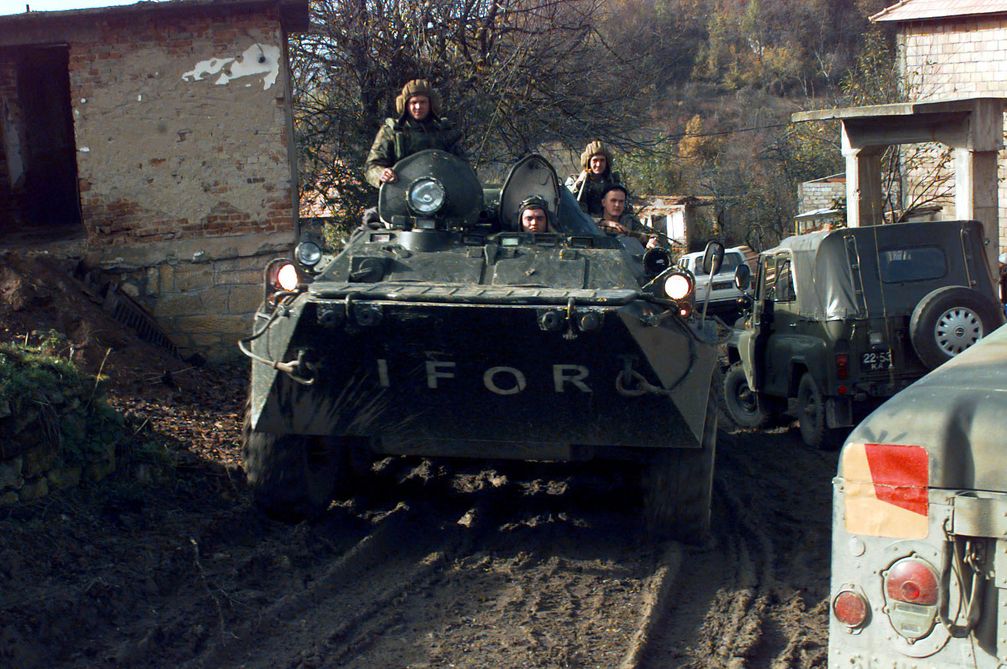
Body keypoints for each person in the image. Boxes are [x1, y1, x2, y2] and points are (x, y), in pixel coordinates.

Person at [364, 79, 465, 188]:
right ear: (405, 105)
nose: (418, 107)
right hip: (399, 192)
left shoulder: (444, 131)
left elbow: (463, 167)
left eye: (423, 102)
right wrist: (382, 173)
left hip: (441, 191)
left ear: (431, 104)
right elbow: (371, 166)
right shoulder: (391, 131)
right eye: (413, 102)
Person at [566, 140, 623, 217]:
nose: (598, 164)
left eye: (602, 160)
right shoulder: (574, 181)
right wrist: (579, 183)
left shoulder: (614, 182)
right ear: (588, 162)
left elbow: (625, 209)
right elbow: (566, 202)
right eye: (595, 160)